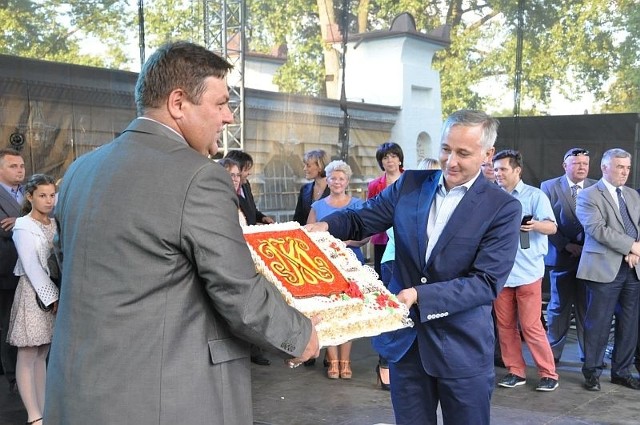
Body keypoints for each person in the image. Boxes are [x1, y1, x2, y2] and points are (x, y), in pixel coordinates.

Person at [44, 41, 319, 425]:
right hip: (164, 401)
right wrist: (300, 335)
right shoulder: (200, 176)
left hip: (75, 395)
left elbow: (61, 264)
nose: (228, 118)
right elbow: (238, 292)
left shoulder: (80, 171)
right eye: (221, 103)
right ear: (178, 103)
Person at [306, 110, 522, 424]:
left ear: (487, 154)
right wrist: (326, 226)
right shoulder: (411, 184)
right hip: (407, 347)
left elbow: (485, 282)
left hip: (461, 348)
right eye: (446, 149)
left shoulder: (502, 208)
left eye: (463, 153)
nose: (451, 161)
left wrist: (418, 295)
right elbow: (362, 217)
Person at [492, 150, 560, 392]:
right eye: (496, 169)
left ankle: (548, 373)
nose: (498, 174)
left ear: (517, 170)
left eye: (503, 169)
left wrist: (534, 225)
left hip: (529, 271)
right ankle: (515, 371)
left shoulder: (535, 196)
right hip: (500, 273)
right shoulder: (492, 196)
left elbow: (552, 227)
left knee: (531, 325)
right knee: (505, 326)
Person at [577, 148, 640, 392]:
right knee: (598, 323)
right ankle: (592, 372)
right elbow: (597, 229)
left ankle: (621, 372)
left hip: (633, 269)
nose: (624, 172)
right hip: (603, 268)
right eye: (619, 167)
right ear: (604, 168)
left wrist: (634, 251)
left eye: (627, 167)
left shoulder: (633, 195)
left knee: (629, 323)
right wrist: (631, 247)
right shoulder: (589, 195)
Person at [375, 157, 440, 391]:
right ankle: (385, 362)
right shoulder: (406, 196)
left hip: (421, 268)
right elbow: (390, 227)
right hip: (395, 261)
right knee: (396, 314)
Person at [308, 159, 368, 380]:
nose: (337, 181)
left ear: (347, 181)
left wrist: (349, 243)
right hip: (325, 264)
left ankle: (346, 361)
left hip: (350, 262)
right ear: (328, 180)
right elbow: (309, 234)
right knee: (327, 313)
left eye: (341, 178)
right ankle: (332, 361)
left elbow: (365, 235)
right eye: (333, 177)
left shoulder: (358, 204)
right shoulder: (317, 206)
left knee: (348, 312)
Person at [7, 174, 59, 425]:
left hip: (53, 294)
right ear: (30, 197)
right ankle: (33, 415)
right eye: (42, 195)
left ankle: (44, 409)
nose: (49, 200)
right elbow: (31, 266)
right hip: (33, 294)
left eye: (52, 195)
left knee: (42, 353)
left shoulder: (55, 223)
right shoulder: (22, 226)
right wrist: (51, 299)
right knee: (28, 354)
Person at [541, 148, 596, 363]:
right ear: (565, 166)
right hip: (561, 258)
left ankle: (588, 356)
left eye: (585, 163)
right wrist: (566, 245)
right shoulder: (549, 186)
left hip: (590, 259)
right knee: (557, 308)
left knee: (587, 309)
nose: (581, 167)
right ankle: (552, 355)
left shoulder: (596, 187)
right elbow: (545, 219)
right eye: (576, 163)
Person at [0, 148, 25, 395]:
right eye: (13, 166)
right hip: (7, 270)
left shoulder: (30, 191)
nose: (19, 170)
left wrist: (20, 222)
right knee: (9, 325)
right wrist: (29, 221)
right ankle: (13, 380)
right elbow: (4, 229)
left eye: (21, 166)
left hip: (34, 269)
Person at [367, 142, 404, 276]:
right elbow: (370, 210)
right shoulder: (374, 185)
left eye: (394, 156)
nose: (390, 160)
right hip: (382, 236)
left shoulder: (410, 180)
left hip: (405, 236)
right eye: (385, 157)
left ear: (400, 159)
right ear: (381, 162)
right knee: (382, 275)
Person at [224, 150, 275, 226]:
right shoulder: (224, 191)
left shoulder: (246, 185)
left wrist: (262, 218)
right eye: (246, 170)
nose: (249, 173)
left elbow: (252, 210)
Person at [293, 149, 330, 226]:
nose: (304, 169)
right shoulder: (304, 189)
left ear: (320, 167)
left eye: (308, 166)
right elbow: (298, 219)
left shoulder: (335, 190)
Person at [218, 157, 247, 226]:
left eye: (238, 175)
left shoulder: (237, 199)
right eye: (232, 175)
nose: (236, 179)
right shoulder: (217, 201)